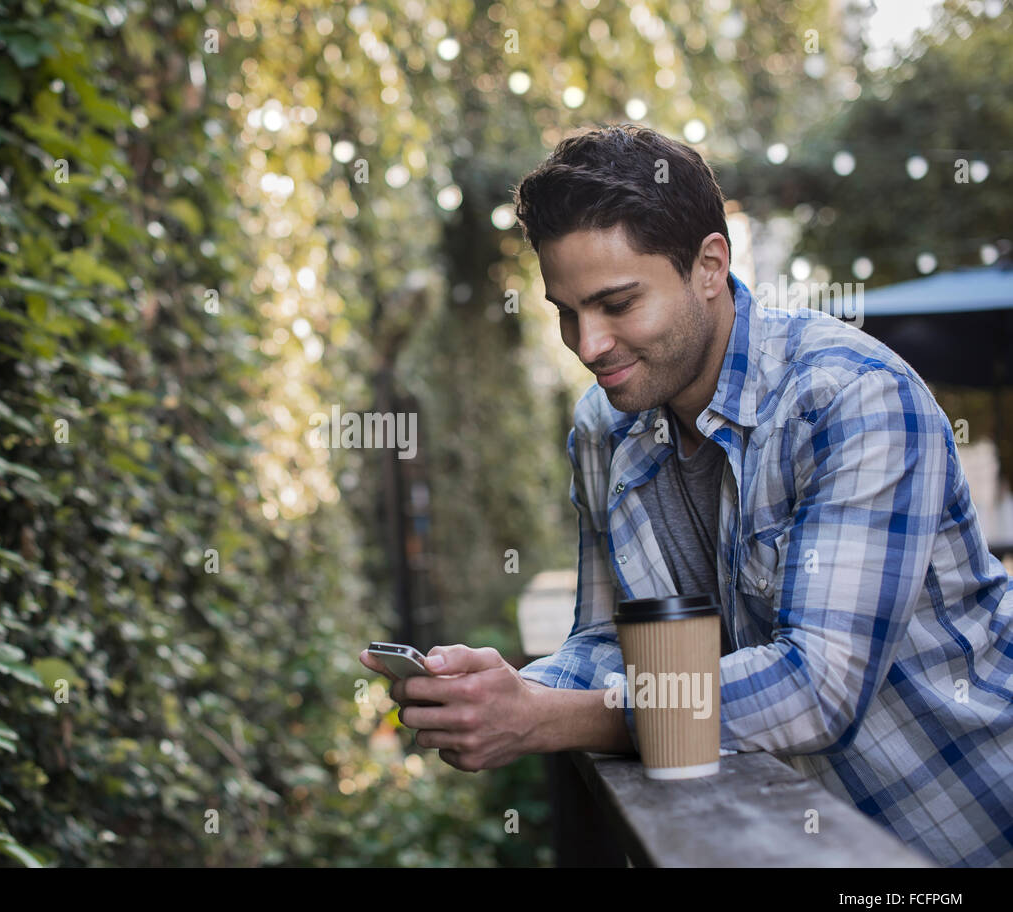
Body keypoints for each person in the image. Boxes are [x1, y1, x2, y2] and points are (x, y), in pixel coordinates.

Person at [360, 124, 1013, 868]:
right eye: (566, 311)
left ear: (710, 265)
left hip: (964, 835)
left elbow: (815, 686)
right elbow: (607, 640)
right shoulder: (603, 429)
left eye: (617, 303)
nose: (588, 344)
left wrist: (555, 716)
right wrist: (505, 691)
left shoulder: (852, 400)